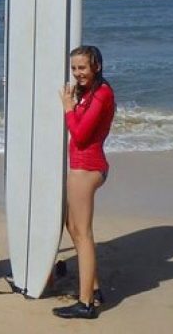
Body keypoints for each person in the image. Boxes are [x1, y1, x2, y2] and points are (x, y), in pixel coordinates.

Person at [53, 46, 115, 319]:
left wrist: (67, 108)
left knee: (83, 233)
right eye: (74, 68)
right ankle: (95, 288)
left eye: (83, 68)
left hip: (87, 168)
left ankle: (86, 303)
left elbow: (79, 134)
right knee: (71, 225)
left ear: (97, 67)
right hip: (81, 167)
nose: (78, 73)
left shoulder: (102, 94)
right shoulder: (87, 93)